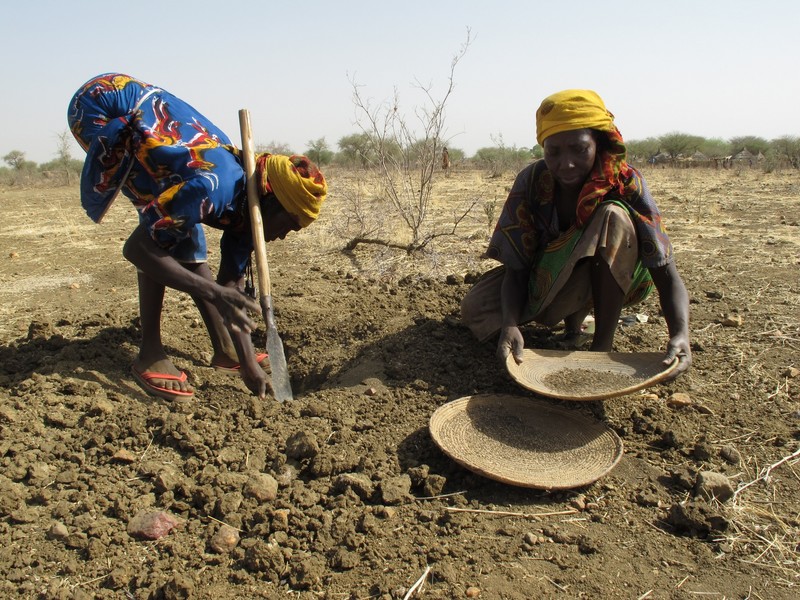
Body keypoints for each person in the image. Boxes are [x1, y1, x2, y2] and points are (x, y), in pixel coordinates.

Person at [68, 73, 328, 401]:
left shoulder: (250, 215)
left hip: (182, 158)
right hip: (101, 103)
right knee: (167, 234)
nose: (285, 236)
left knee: (184, 228)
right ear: (272, 202)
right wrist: (213, 292)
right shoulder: (213, 188)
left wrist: (248, 361)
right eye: (289, 225)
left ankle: (226, 349)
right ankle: (149, 353)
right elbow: (137, 248)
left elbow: (231, 289)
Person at [461, 89, 691, 378]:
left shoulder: (625, 181)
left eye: (579, 149)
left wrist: (680, 334)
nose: (566, 163)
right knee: (475, 308)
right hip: (547, 278)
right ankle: (572, 324)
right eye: (553, 151)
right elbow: (517, 268)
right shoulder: (533, 180)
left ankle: (601, 348)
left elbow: (666, 272)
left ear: (598, 143)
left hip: (620, 276)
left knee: (612, 216)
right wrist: (510, 324)